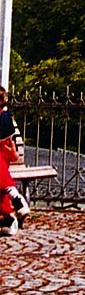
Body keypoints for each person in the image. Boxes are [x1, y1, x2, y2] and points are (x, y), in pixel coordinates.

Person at [0, 85, 29, 227]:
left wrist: (11, 152)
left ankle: (8, 217)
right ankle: (14, 202)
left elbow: (14, 155)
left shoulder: (5, 120)